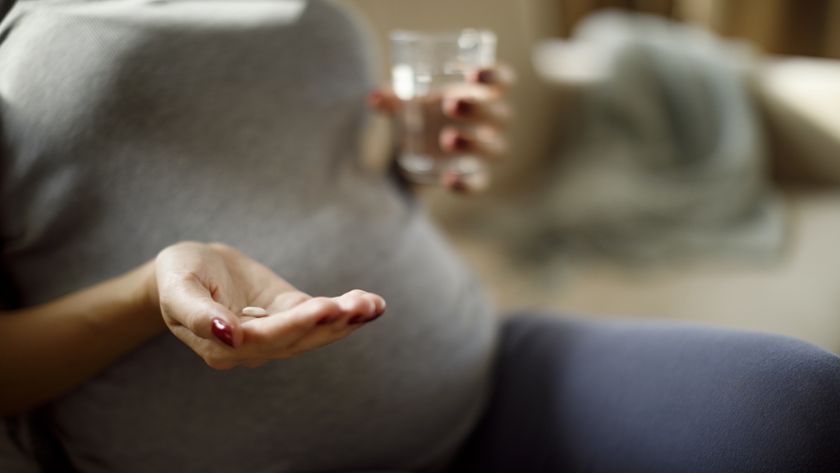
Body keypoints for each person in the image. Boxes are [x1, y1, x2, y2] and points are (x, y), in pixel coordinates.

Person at [1, 1, 839, 473]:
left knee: (798, 403)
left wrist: (419, 158)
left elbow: (324, 180)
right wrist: (154, 292)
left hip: (478, 370)